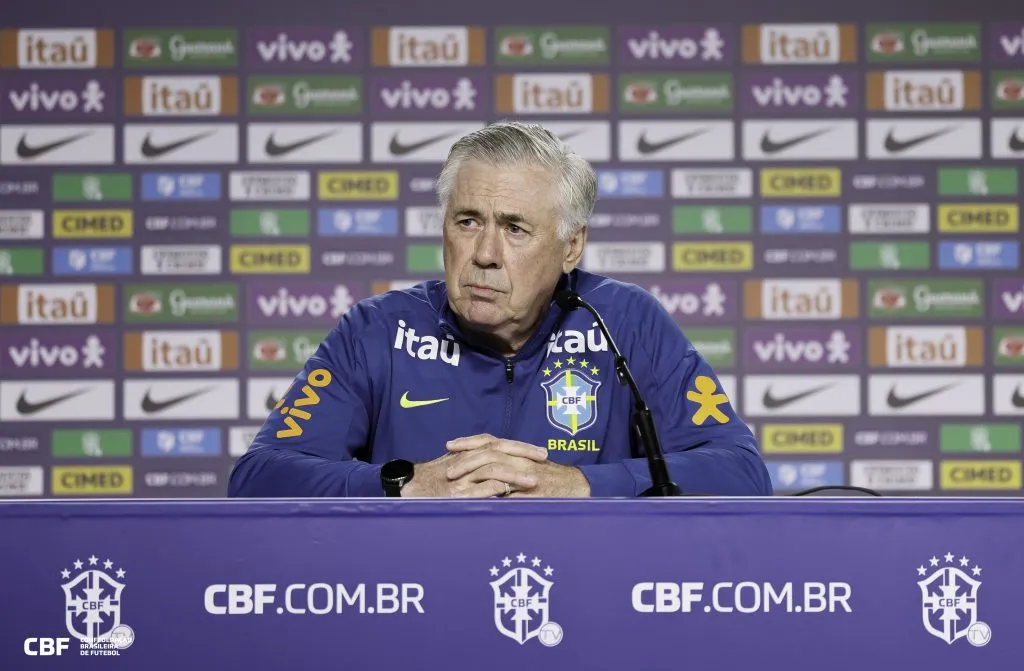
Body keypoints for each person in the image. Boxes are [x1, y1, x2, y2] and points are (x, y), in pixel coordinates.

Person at [227, 121, 772, 499]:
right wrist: (403, 485)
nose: (484, 254)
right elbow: (258, 477)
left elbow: (742, 472)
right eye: (467, 221)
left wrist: (580, 485)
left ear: (571, 246)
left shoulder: (627, 322)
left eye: (515, 228)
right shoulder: (376, 330)